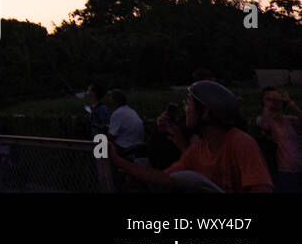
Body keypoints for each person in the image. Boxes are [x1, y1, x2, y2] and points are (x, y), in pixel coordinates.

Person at [109, 80, 272, 192]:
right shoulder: (199, 147)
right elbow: (164, 178)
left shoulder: (241, 143)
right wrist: (118, 160)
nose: (185, 108)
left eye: (189, 103)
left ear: (206, 112)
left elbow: (262, 188)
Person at [257, 87, 302, 192]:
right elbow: (264, 125)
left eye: (277, 99)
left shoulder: (290, 120)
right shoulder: (264, 120)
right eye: (270, 99)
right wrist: (267, 103)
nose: (275, 102)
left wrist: (290, 102)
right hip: (285, 172)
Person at [105, 89, 148, 164]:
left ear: (115, 101)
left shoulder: (117, 113)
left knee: (102, 146)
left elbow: (112, 136)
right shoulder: (131, 111)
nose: (109, 101)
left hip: (126, 148)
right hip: (138, 146)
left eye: (110, 99)